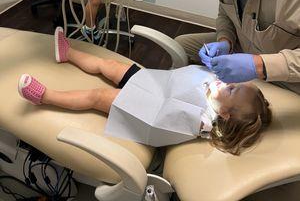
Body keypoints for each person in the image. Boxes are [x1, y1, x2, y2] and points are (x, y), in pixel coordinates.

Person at [18, 27, 271, 156]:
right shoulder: (217, 86)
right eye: (233, 83)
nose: (227, 83)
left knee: (97, 96)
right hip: (149, 83)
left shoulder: (206, 120)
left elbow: (175, 122)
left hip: (143, 107)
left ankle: (45, 96)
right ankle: (68, 53)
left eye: (231, 89)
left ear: (225, 114)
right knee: (110, 66)